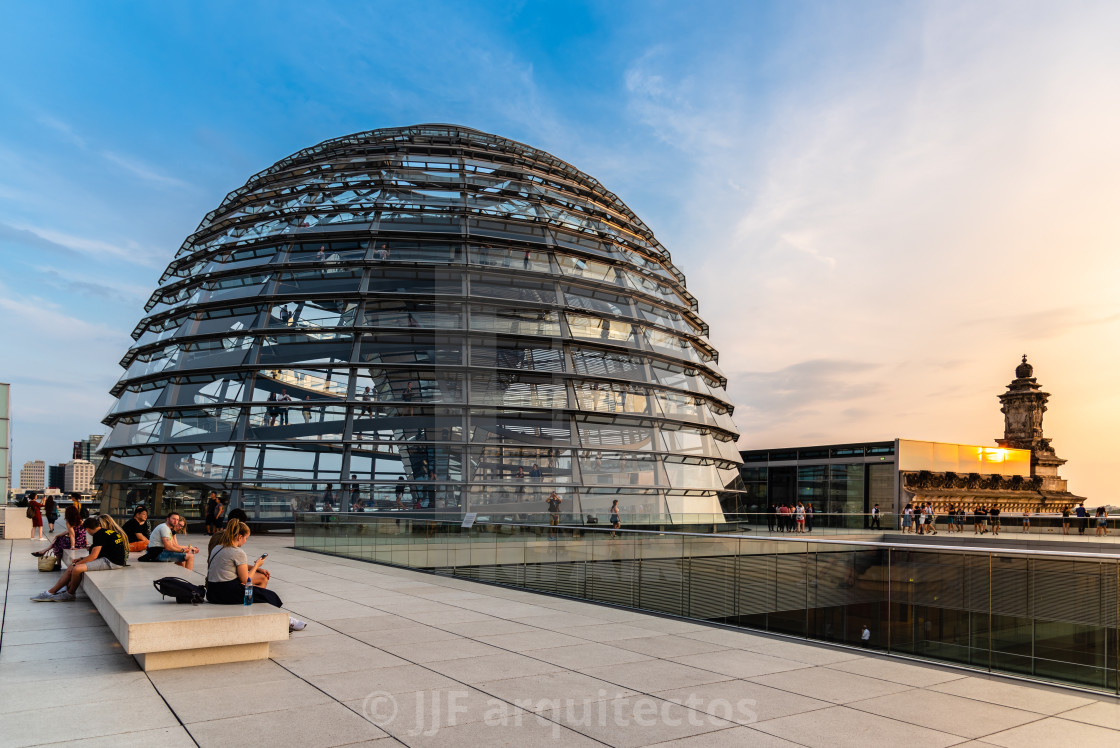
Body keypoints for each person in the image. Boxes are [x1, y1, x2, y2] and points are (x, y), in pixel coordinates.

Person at [31, 516, 128, 602]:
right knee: (73, 566)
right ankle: (52, 591)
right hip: (112, 559)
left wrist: (78, 563)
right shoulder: (108, 532)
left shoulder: (99, 535)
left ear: (87, 529)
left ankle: (69, 594)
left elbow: (93, 556)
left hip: (112, 562)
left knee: (76, 568)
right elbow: (101, 553)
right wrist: (82, 559)